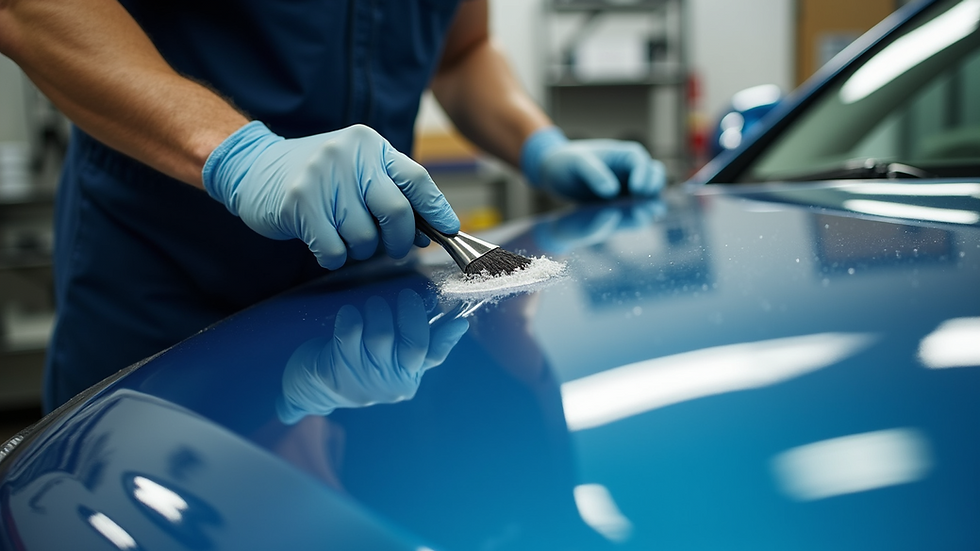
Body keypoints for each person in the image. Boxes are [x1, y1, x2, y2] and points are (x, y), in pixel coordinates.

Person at [0, 0, 666, 412]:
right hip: (161, 286)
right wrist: (239, 154)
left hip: (369, 311)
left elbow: (462, 53)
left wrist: (540, 145)